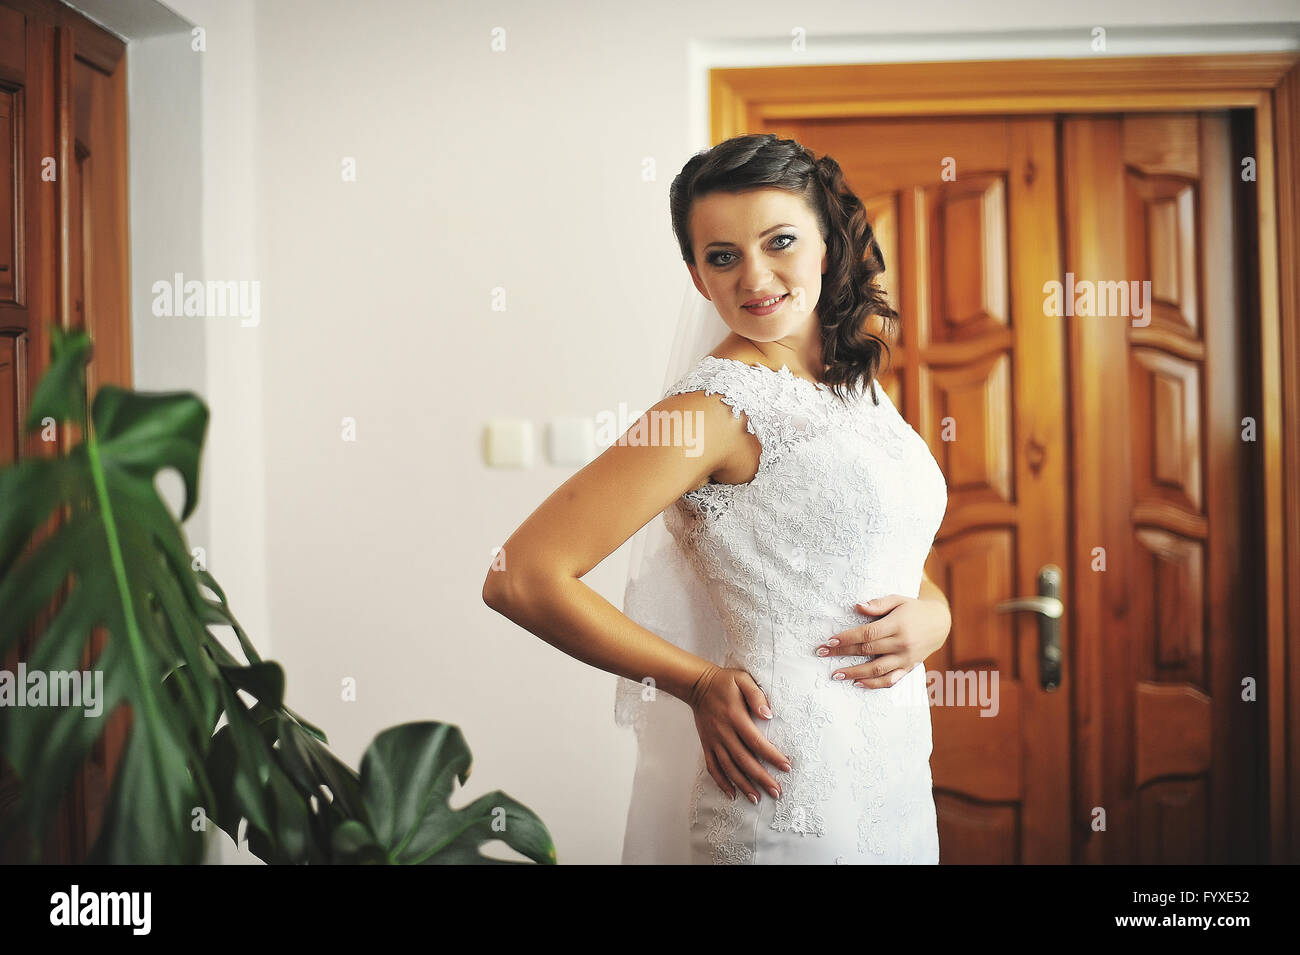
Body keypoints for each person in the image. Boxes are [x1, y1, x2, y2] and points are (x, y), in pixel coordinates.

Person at [483, 133, 951, 864]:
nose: (755, 276)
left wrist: (936, 613)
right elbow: (521, 573)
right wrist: (696, 682)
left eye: (781, 241)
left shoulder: (849, 383)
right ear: (699, 277)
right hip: (786, 781)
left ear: (827, 245)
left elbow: (874, 546)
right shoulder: (711, 408)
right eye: (723, 256)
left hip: (894, 768)